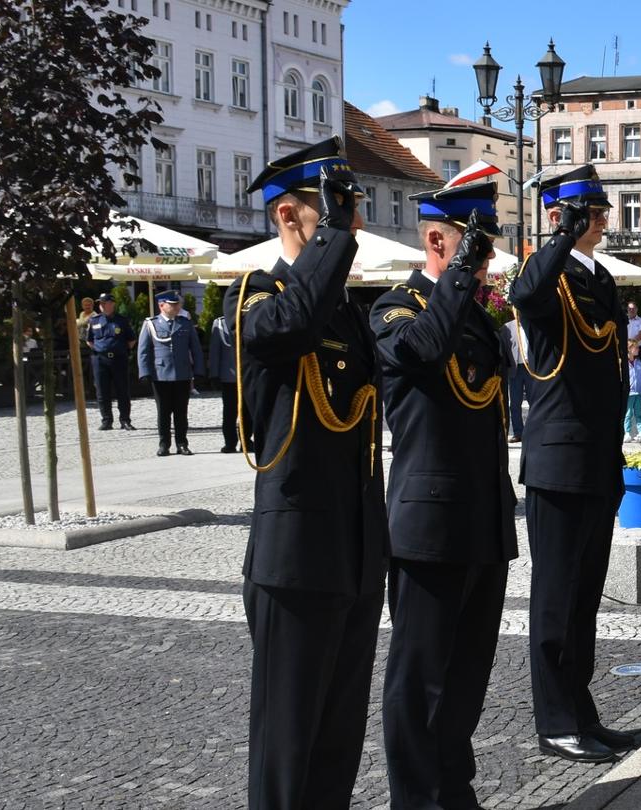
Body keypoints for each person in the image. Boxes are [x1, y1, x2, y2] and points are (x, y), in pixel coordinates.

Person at [221, 137, 386, 808]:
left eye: (351, 207)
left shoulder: (346, 311)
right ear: (289, 215)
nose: (352, 221)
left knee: (338, 737)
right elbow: (289, 327)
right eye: (335, 207)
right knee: (288, 742)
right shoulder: (258, 299)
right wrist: (336, 242)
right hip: (295, 557)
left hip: (352, 547)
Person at [370, 177, 519, 808]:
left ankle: (454, 792)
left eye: (483, 250)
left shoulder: (477, 316)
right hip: (429, 525)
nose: (483, 261)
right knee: (421, 679)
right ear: (437, 239)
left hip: (483, 517)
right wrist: (460, 274)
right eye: (473, 245)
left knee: (466, 677)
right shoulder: (394, 308)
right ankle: (417, 800)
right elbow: (423, 353)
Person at [506, 163, 639, 764]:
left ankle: (581, 710)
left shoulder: (600, 279)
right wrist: (559, 234)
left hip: (597, 460)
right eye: (591, 211)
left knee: (585, 597)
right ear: (567, 216)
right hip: (558, 462)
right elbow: (524, 293)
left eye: (602, 210)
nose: (602, 219)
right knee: (555, 598)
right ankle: (554, 720)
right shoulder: (549, 277)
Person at [136, 289, 203, 457]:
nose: (176, 307)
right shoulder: (151, 324)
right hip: (161, 374)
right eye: (172, 304)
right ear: (161, 305)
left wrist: (199, 370)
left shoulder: (185, 323)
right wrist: (144, 372)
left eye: (177, 304)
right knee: (163, 412)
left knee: (181, 411)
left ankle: (182, 443)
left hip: (182, 374)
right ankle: (164, 444)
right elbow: (143, 351)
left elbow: (195, 348)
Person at [86, 294, 136, 430]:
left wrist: (120, 351)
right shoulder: (94, 320)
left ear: (112, 304)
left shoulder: (121, 321)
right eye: (100, 303)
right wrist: (100, 350)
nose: (101, 305)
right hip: (100, 359)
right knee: (102, 391)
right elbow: (89, 340)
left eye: (104, 303)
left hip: (118, 359)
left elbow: (131, 340)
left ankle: (125, 420)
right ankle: (106, 420)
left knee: (122, 390)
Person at [207, 305, 239, 453]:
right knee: (230, 412)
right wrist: (214, 374)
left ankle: (247, 440)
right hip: (229, 376)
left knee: (249, 411)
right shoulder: (220, 323)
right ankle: (230, 442)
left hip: (248, 375)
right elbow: (215, 352)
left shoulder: (249, 318)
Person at [503, 312, 527, 445]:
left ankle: (532, 431)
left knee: (535, 401)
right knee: (515, 403)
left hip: (530, 368)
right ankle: (518, 433)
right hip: (515, 370)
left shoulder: (531, 325)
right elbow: (503, 348)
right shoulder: (507, 328)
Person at [624, 339, 641, 442]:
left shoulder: (638, 362)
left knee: (638, 414)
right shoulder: (624, 363)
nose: (638, 349)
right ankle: (627, 433)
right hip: (629, 394)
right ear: (629, 349)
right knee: (628, 414)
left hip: (638, 393)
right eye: (636, 347)